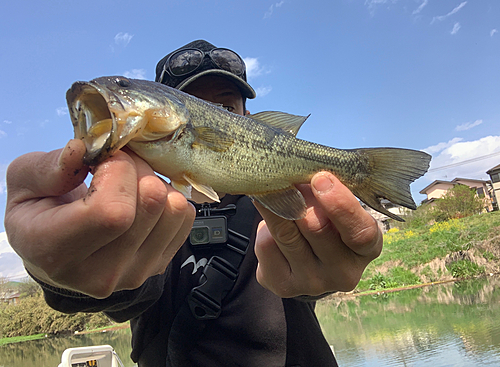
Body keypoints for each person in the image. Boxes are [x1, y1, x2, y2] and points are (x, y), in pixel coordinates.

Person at [5, 40, 383, 366]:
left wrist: (323, 273)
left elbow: (307, 281)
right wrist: (59, 273)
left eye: (227, 109)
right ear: (174, 105)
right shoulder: (141, 211)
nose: (217, 115)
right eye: (197, 102)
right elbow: (126, 293)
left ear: (248, 120)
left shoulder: (280, 211)